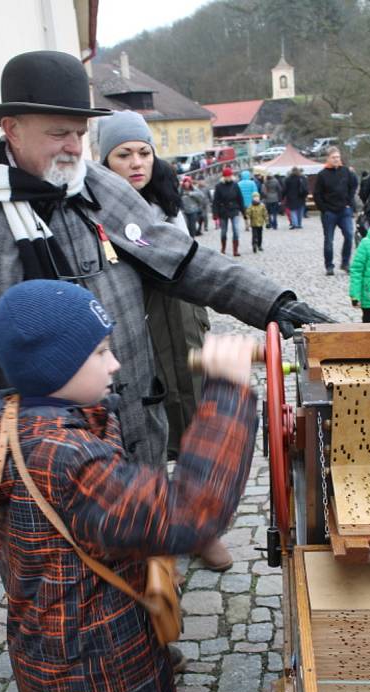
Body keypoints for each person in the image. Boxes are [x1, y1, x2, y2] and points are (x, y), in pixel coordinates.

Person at [0, 49, 328, 475]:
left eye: (80, 133)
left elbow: (183, 261)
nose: (73, 148)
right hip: (48, 470)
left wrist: (274, 304)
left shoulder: (99, 188)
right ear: (12, 130)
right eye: (59, 133)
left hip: (139, 442)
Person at [0, 278, 258, 692]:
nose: (116, 363)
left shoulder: (14, 423)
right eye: (100, 352)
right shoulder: (66, 458)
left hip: (62, 656)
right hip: (94, 674)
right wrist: (228, 390)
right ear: (56, 370)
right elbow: (191, 512)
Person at [97, 110, 230, 571]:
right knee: (144, 425)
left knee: (193, 415)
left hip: (183, 316)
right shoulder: (92, 207)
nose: (136, 163)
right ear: (104, 160)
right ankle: (154, 540)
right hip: (133, 321)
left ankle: (199, 526)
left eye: (143, 152)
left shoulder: (168, 200)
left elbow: (193, 262)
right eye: (123, 154)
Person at [313, 147, 358, 275]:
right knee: (329, 240)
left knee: (349, 235)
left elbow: (353, 185)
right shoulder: (322, 175)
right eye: (333, 157)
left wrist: (349, 202)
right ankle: (329, 266)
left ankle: (345, 262)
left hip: (344, 210)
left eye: (338, 157)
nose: (336, 160)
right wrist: (324, 208)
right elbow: (317, 194)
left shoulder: (346, 171)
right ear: (328, 158)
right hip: (329, 212)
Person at [212, 166, 245, 256]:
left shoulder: (235, 185)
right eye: (227, 176)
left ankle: (235, 250)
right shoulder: (219, 186)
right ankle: (223, 248)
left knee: (236, 229)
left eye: (229, 176)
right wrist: (215, 213)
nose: (228, 178)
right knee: (224, 231)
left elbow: (240, 198)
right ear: (224, 177)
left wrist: (244, 212)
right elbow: (215, 201)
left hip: (234, 210)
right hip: (223, 211)